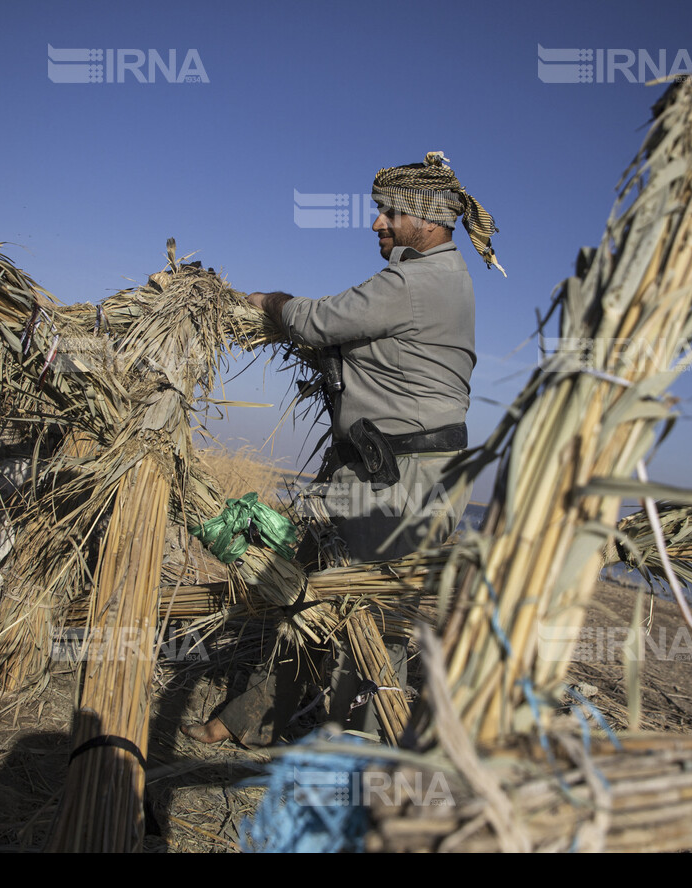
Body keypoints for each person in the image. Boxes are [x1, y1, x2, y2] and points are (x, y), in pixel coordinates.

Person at [182, 151, 503, 746]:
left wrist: (266, 303)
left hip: (402, 485)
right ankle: (257, 714)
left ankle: (360, 756)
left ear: (428, 217)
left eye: (388, 213)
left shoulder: (417, 280)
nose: (377, 224)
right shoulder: (433, 277)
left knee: (376, 622)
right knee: (303, 586)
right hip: (376, 472)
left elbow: (319, 320)